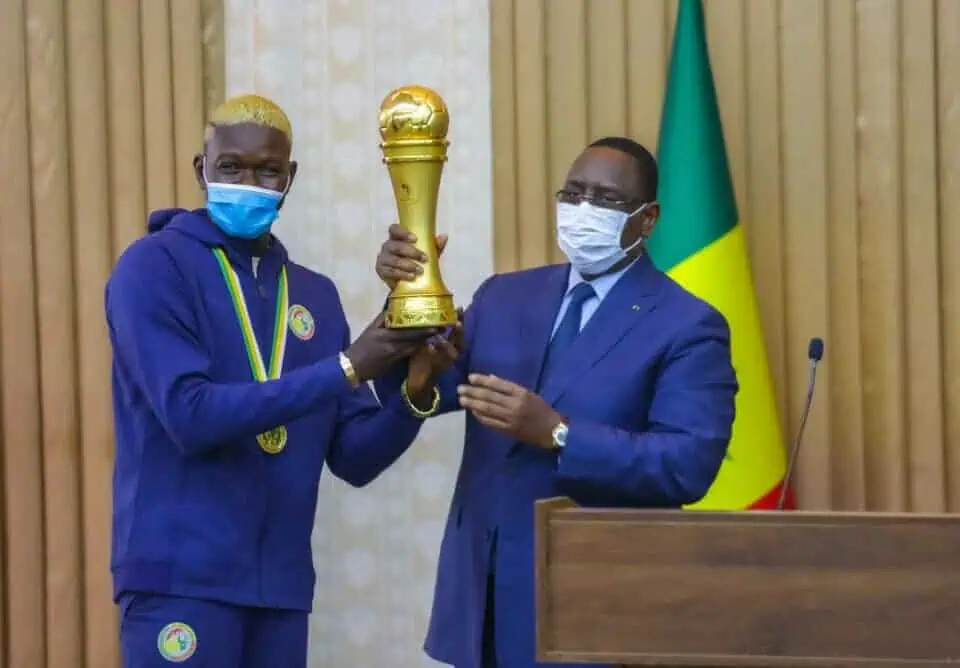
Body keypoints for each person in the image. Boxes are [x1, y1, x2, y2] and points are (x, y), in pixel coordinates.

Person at [105, 94, 457, 667]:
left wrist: (413, 392)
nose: (249, 180)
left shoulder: (314, 294)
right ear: (202, 170)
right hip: (181, 581)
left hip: (280, 589)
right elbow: (189, 416)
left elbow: (355, 457)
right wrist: (347, 367)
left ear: (288, 177)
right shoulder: (153, 267)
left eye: (267, 170)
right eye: (231, 167)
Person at [374, 136, 739, 668]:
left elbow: (687, 465)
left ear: (648, 218)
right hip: (484, 597)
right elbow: (424, 391)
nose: (583, 210)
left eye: (607, 200)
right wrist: (406, 299)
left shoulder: (688, 325)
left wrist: (559, 432)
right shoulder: (504, 296)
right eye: (573, 193)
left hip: (595, 601)